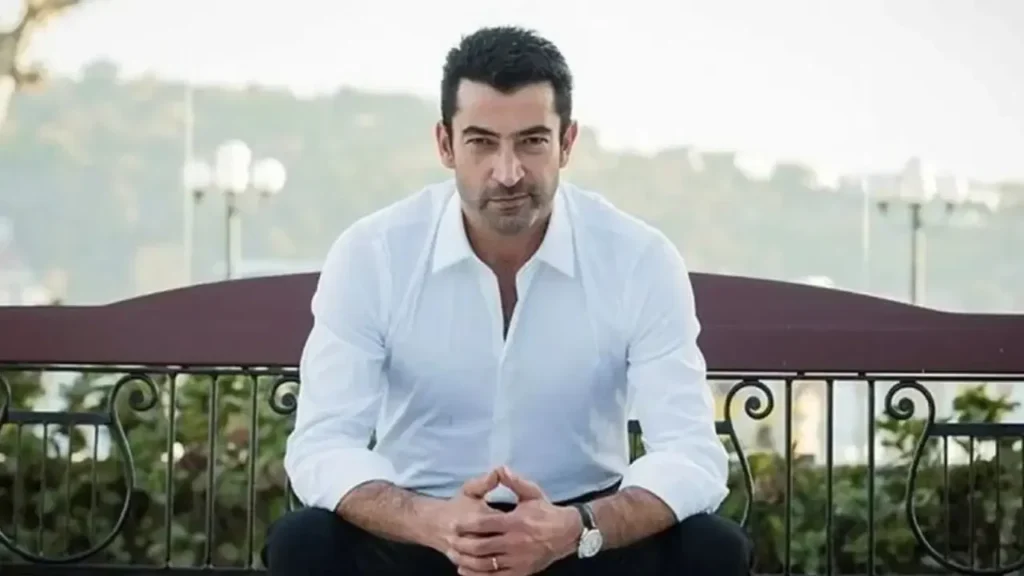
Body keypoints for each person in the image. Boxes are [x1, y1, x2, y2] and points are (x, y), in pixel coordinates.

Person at [263, 25, 752, 576]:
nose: (508, 172)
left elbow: (690, 451)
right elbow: (323, 444)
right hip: (423, 532)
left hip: (577, 536)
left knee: (711, 547)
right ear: (446, 144)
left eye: (531, 141)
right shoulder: (373, 253)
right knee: (304, 541)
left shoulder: (639, 258)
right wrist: (432, 521)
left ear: (567, 143)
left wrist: (579, 527)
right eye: (481, 142)